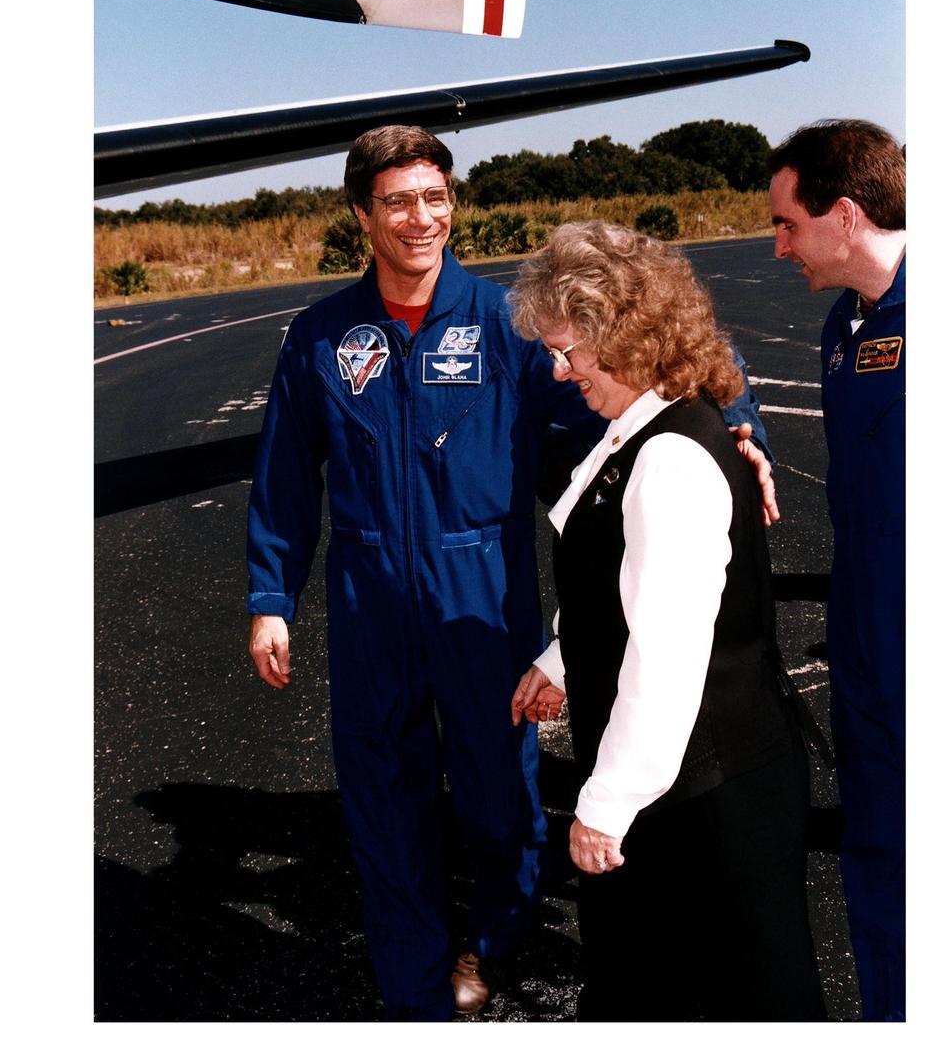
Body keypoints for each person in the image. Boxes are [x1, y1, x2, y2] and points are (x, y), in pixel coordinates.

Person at [246, 125, 776, 1021]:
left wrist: (734, 429)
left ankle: (493, 941)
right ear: (361, 215)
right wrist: (271, 598)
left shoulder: (505, 325)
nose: (423, 219)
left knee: (500, 802)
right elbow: (287, 477)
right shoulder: (320, 337)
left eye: (437, 197)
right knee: (385, 800)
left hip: (482, 599)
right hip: (369, 603)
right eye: (400, 202)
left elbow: (625, 402)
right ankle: (415, 987)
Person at [508, 221, 826, 1022]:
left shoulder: (670, 457)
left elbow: (669, 658)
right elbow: (624, 585)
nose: (557, 368)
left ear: (620, 335)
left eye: (567, 350)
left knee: (734, 1002)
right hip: (699, 781)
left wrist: (605, 802)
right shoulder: (647, 428)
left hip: (708, 798)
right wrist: (562, 655)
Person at [768, 119, 905, 1022]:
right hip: (867, 639)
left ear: (845, 213)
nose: (778, 246)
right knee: (881, 852)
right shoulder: (840, 325)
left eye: (787, 224)